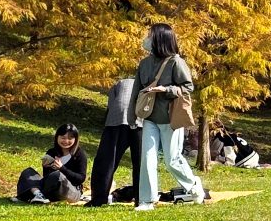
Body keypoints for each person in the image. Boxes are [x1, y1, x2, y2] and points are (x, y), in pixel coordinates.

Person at [132, 22, 204, 210]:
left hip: (171, 118)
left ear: (160, 39)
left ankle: (193, 185)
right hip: (150, 118)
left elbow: (188, 87)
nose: (146, 39)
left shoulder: (176, 62)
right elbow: (136, 90)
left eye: (150, 35)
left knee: (172, 160)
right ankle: (147, 200)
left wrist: (166, 89)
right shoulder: (144, 63)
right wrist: (132, 116)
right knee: (147, 159)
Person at [87, 76, 141, 207]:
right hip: (140, 121)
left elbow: (111, 105)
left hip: (117, 119)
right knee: (141, 162)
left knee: (106, 160)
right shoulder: (146, 82)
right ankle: (142, 199)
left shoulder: (119, 83)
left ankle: (98, 199)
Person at [17, 123, 89, 204]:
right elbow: (48, 179)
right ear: (57, 137)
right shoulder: (52, 152)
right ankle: (39, 195)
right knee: (28, 172)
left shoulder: (79, 155)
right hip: (51, 190)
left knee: (57, 175)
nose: (66, 141)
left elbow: (80, 178)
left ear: (75, 139)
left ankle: (34, 195)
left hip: (72, 191)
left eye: (70, 138)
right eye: (63, 138)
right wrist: (46, 167)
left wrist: (62, 168)